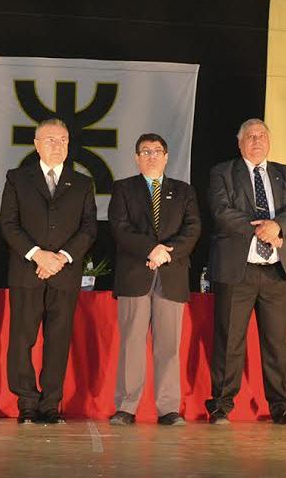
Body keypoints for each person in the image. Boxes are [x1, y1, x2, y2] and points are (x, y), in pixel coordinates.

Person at [205, 119, 286, 425]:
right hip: (238, 271)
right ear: (240, 143)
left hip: (277, 271)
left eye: (262, 135)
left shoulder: (285, 174)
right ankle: (221, 405)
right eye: (250, 136)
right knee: (230, 341)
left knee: (278, 344)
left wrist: (279, 226)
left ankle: (282, 407)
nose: (257, 140)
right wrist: (262, 229)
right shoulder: (222, 173)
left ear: (269, 141)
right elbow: (222, 211)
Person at [0, 118, 97, 424]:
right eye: (51, 140)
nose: (58, 146)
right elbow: (9, 224)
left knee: (58, 340)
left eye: (63, 140)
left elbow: (89, 228)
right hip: (27, 271)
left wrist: (61, 258)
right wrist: (38, 255)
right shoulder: (17, 178)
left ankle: (50, 403)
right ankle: (27, 401)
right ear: (37, 144)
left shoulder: (82, 182)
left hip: (64, 274)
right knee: (22, 339)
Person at [107, 133, 201, 426]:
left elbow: (193, 228)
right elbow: (119, 228)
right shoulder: (124, 189)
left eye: (157, 151)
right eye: (145, 151)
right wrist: (151, 248)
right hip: (135, 274)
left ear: (167, 156)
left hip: (171, 276)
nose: (151, 156)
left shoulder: (183, 191)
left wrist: (166, 253)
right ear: (136, 157)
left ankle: (168, 409)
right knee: (131, 343)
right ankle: (126, 407)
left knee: (169, 347)